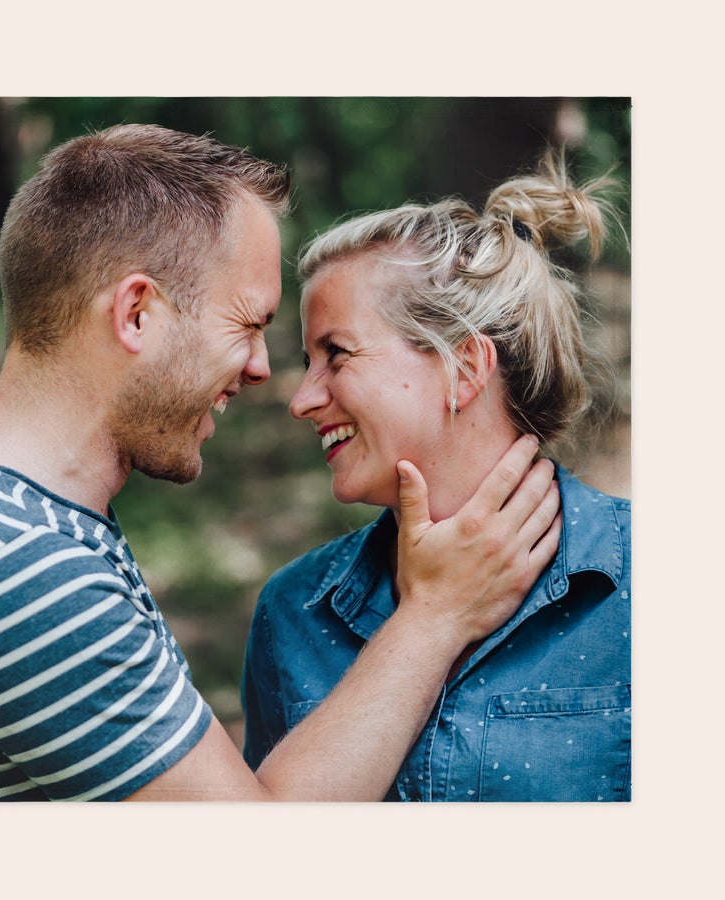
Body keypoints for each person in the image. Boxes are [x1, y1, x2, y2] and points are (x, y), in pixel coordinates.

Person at [0, 124, 561, 802]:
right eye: (248, 324)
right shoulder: (25, 572)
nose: (262, 370)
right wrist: (436, 615)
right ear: (136, 314)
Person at [241, 151, 631, 802]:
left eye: (336, 354)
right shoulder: (291, 613)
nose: (302, 400)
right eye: (308, 362)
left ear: (465, 368)